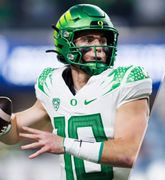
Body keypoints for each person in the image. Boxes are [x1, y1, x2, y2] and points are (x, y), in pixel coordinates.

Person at [0, 4, 152, 180]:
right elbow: (16, 133)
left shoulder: (126, 79)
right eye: (88, 40)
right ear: (66, 42)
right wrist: (4, 125)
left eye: (103, 40)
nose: (99, 47)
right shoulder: (51, 84)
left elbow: (130, 153)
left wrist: (65, 144)